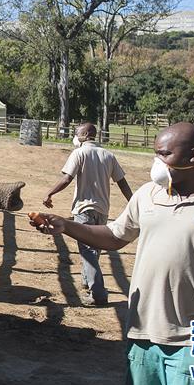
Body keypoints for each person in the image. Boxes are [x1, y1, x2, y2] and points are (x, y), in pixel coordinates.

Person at [32, 123, 194, 385]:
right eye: (156, 153)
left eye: (165, 154)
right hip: (142, 333)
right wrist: (66, 226)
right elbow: (115, 236)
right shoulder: (147, 195)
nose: (157, 162)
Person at [43, 122, 132, 306]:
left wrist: (50, 193)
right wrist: (133, 201)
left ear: (84, 135)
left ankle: (97, 293)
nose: (75, 137)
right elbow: (122, 182)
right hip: (102, 210)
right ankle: (87, 280)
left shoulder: (80, 153)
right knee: (94, 247)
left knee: (87, 251)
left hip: (83, 209)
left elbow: (67, 178)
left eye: (77, 134)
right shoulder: (108, 155)